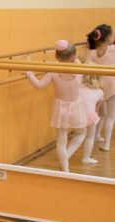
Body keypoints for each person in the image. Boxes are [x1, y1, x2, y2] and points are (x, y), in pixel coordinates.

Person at [24, 40, 87, 172]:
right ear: (73, 57)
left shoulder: (53, 71)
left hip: (60, 108)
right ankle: (66, 156)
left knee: (61, 140)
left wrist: (29, 73)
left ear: (57, 56)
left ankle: (65, 168)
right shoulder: (79, 68)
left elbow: (39, 85)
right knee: (81, 133)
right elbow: (76, 61)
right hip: (75, 107)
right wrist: (74, 58)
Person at [86, 24, 115, 150]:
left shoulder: (92, 52)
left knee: (102, 113)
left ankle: (97, 135)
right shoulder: (113, 49)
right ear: (109, 38)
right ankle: (106, 144)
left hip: (98, 85)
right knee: (111, 116)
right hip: (112, 84)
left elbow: (86, 66)